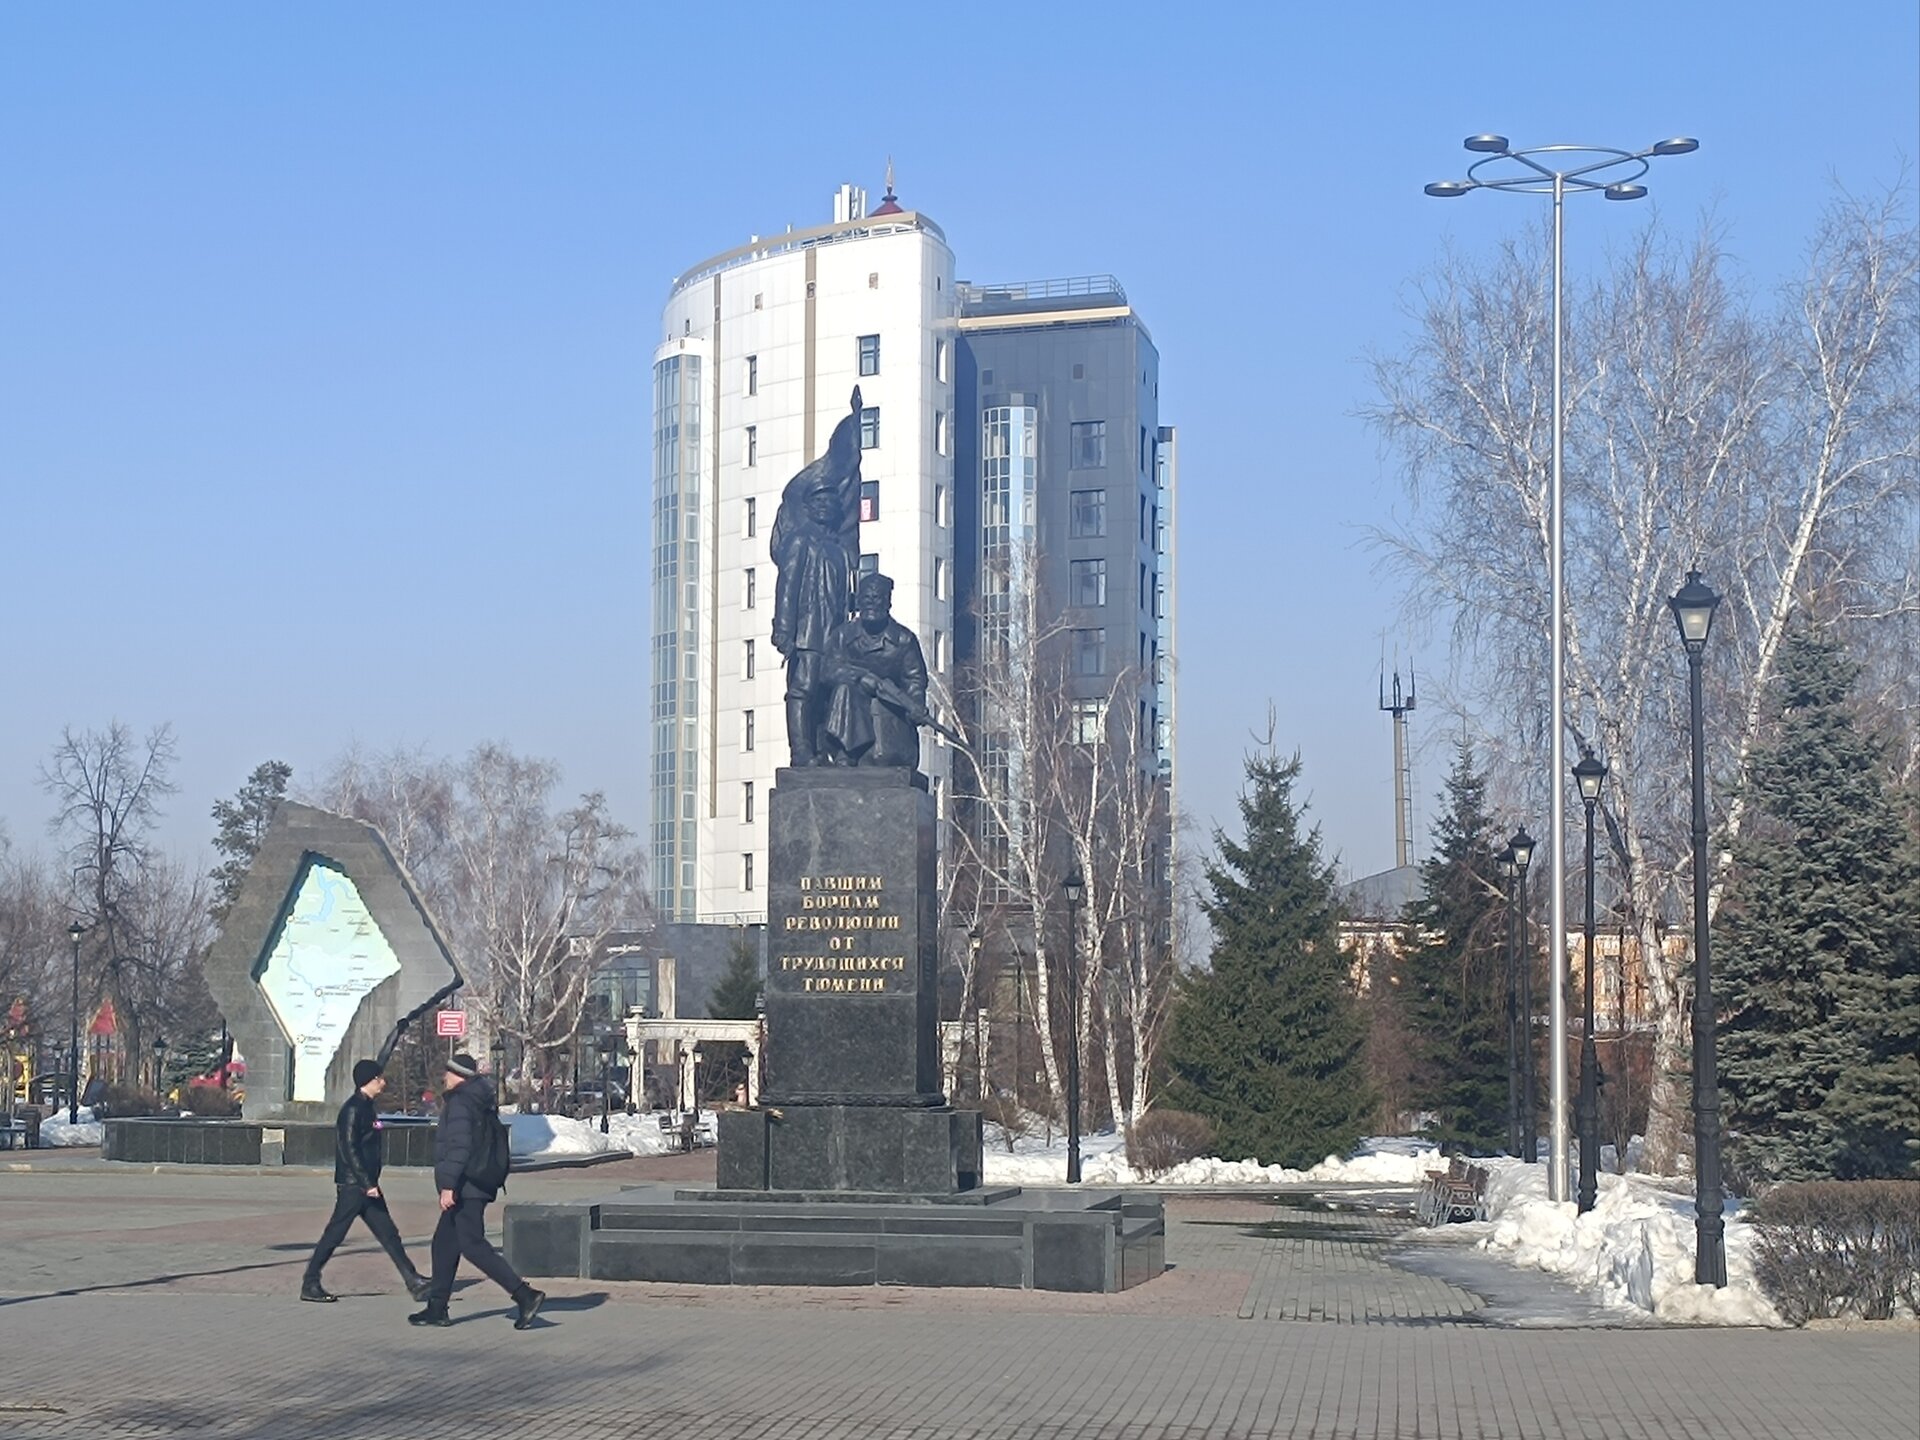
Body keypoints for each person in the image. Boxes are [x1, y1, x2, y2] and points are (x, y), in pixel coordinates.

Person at [409, 1053, 544, 1330]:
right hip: (475, 1182)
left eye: (448, 1073)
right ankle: (437, 1308)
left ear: (458, 1075)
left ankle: (525, 1295)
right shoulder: (476, 1099)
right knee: (444, 1244)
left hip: (466, 1185)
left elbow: (460, 1147)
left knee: (472, 1244)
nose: (444, 1077)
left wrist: (448, 1186)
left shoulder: (461, 1102)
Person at [302, 1060, 430, 1304]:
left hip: (366, 1184)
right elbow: (349, 1149)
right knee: (335, 1234)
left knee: (388, 1233)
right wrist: (366, 1183)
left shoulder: (367, 1106)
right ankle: (310, 1282)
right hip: (355, 1186)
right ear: (368, 1081)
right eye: (379, 1078)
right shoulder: (352, 1109)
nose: (383, 1082)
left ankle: (413, 1280)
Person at [818, 572, 933, 769]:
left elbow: (915, 681)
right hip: (847, 711)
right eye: (866, 598)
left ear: (888, 602)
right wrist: (861, 678)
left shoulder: (904, 639)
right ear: (858, 601)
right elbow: (827, 671)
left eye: (877, 597)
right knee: (844, 689)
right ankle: (844, 754)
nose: (871, 603)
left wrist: (915, 705)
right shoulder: (842, 636)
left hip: (888, 718)